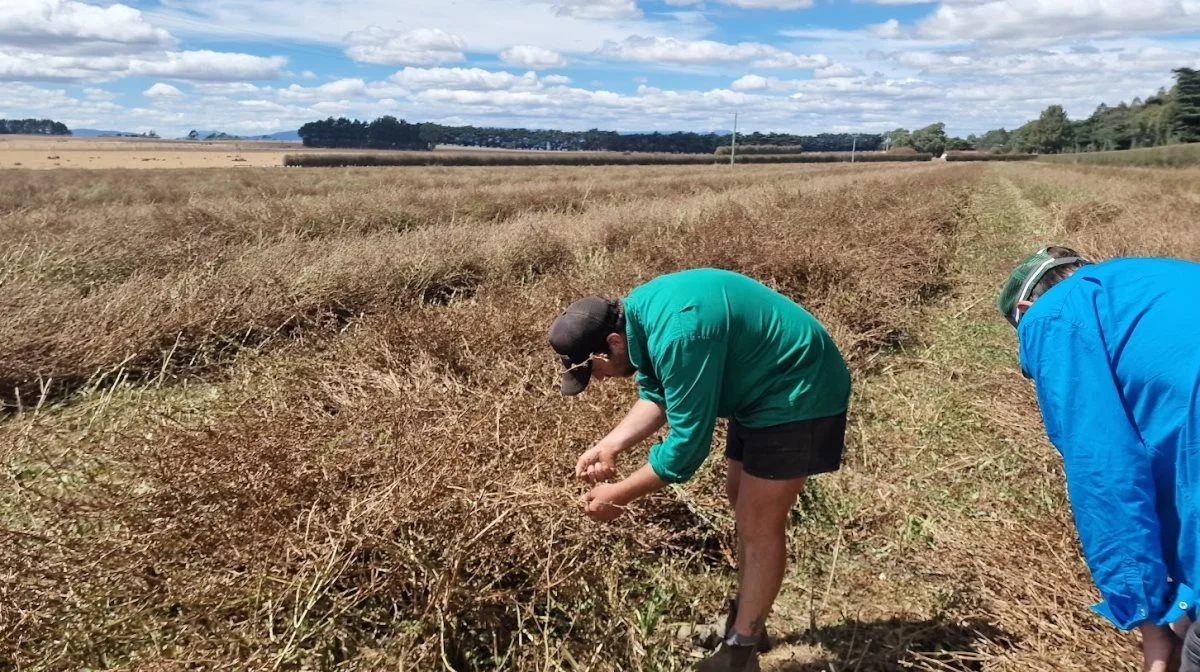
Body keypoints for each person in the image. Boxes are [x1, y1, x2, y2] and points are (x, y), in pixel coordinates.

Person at [547, 268, 852, 672]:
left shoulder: (681, 334)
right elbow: (657, 392)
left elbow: (687, 449)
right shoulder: (639, 314)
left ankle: (739, 654)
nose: (597, 380)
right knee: (739, 498)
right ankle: (745, 623)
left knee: (758, 522)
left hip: (798, 390)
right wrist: (611, 445)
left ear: (613, 342)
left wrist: (619, 494)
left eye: (594, 369)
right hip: (760, 389)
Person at [998, 246, 1200, 672]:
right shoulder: (1155, 279)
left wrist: (1149, 619)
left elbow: (1106, 473)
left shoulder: (1051, 316)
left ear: (1024, 308)